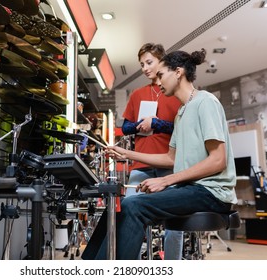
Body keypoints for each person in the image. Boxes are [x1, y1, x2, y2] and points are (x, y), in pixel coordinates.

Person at [82, 48, 237, 260]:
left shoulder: (205, 102)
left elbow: (218, 160)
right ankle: (91, 265)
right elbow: (170, 158)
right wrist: (127, 153)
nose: (159, 80)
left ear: (178, 72)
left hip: (211, 192)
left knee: (134, 205)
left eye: (162, 74)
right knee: (117, 208)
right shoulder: (182, 113)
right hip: (192, 188)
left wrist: (166, 180)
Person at [120, 43, 183, 260]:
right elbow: (125, 127)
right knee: (129, 213)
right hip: (141, 165)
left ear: (161, 61)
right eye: (142, 65)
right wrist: (141, 124)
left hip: (170, 165)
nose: (145, 68)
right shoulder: (137, 94)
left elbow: (181, 127)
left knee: (175, 222)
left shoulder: (175, 93)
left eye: (149, 62)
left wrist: (156, 123)